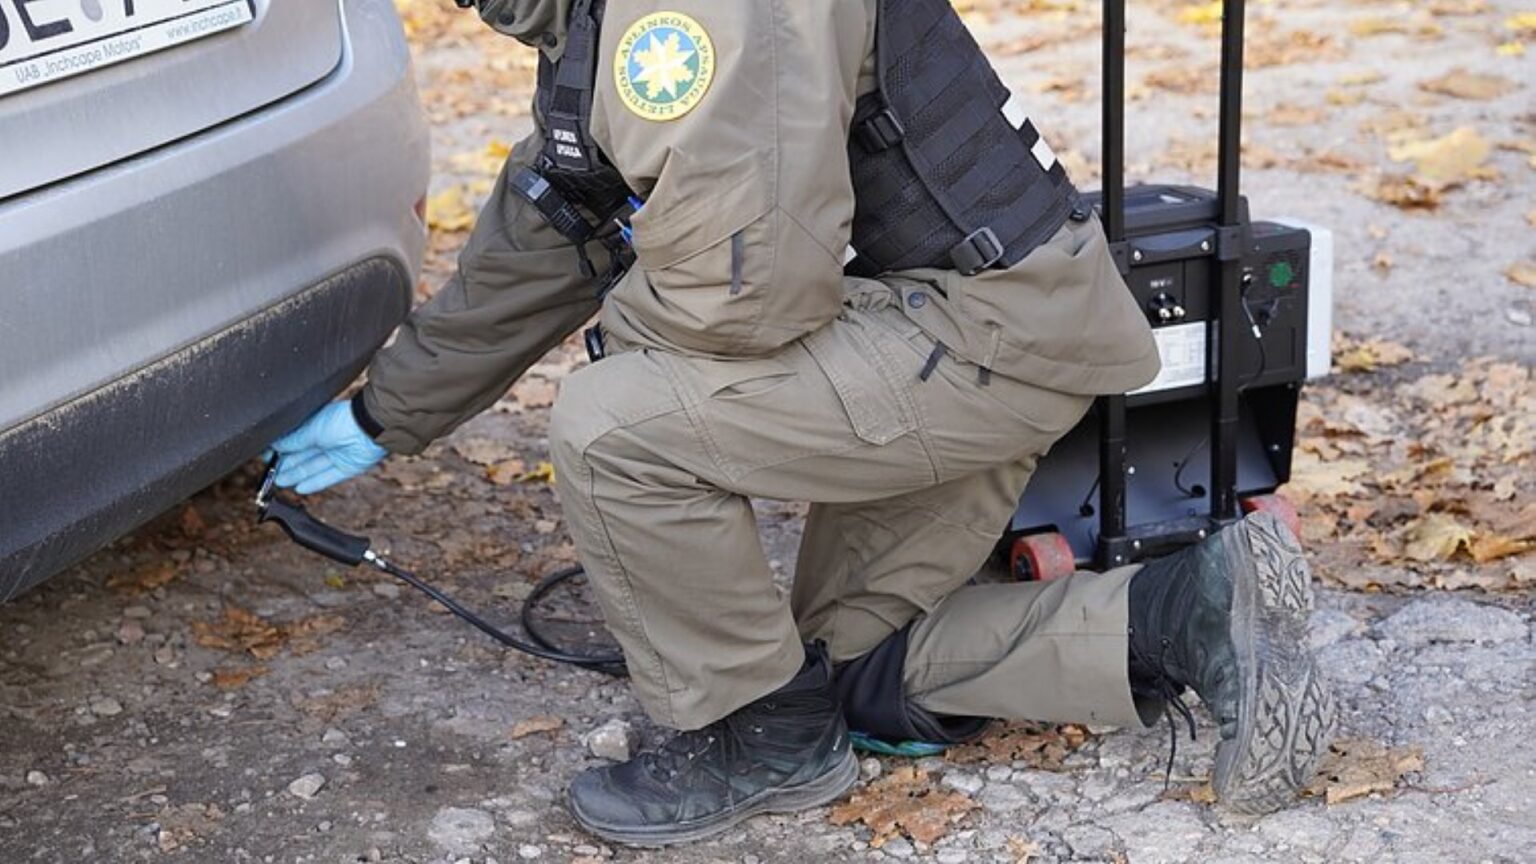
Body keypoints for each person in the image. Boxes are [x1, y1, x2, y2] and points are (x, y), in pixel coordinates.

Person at [270, 0, 1334, 846]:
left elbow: (751, 294)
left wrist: (630, 363)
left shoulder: (701, 14)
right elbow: (559, 220)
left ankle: (757, 743)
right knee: (849, 670)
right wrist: (383, 412)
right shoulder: (596, 22)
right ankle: (1194, 609)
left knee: (610, 426)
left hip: (979, 337)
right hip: (978, 326)